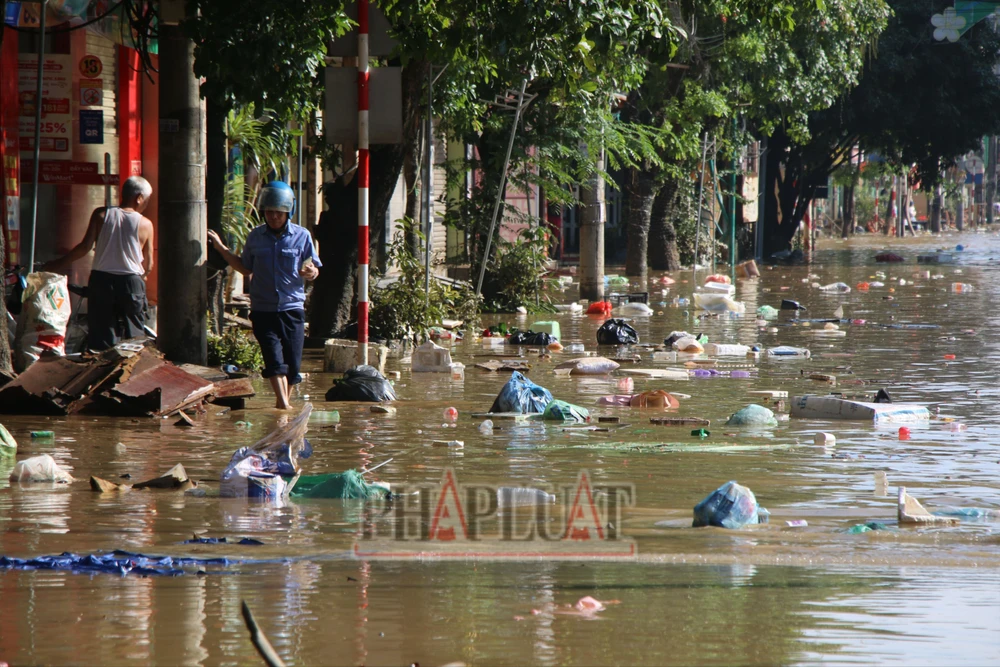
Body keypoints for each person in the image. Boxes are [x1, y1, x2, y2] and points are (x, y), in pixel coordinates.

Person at [208, 181, 321, 409]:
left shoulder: (302, 236)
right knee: (274, 360)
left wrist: (311, 272)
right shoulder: (255, 237)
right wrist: (221, 248)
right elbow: (245, 267)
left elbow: (314, 269)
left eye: (279, 212)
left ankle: (282, 405)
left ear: (288, 212)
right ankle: (284, 407)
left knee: (292, 365)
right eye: (269, 212)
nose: (274, 217)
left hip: (291, 308)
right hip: (263, 309)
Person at [44, 176, 154, 351]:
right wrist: (143, 276)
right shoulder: (146, 224)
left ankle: (102, 364)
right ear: (139, 198)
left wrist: (57, 264)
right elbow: (148, 265)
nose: (146, 204)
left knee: (102, 336)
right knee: (135, 336)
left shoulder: (101, 215)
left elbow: (84, 248)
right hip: (131, 283)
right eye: (147, 200)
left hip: (102, 282)